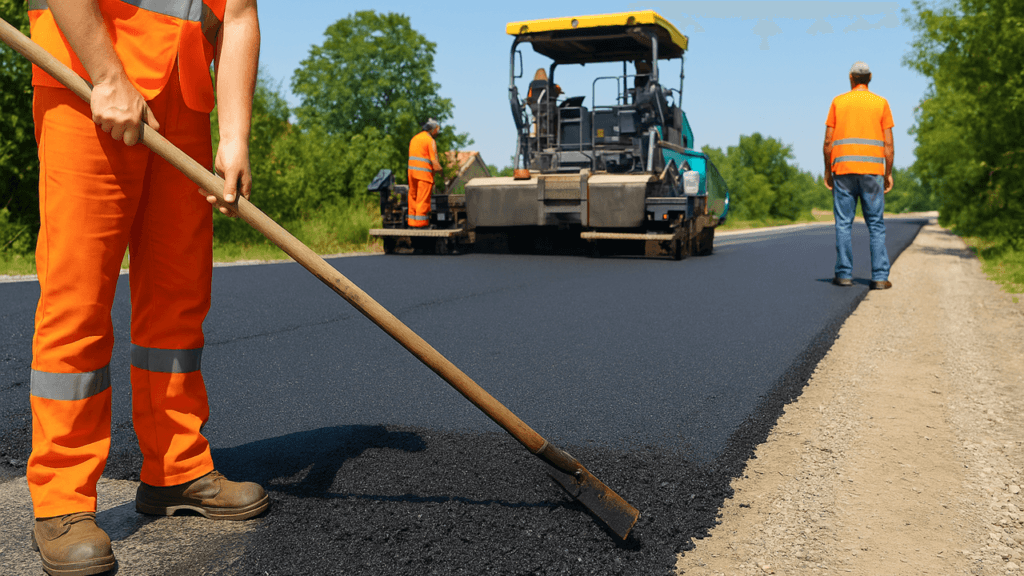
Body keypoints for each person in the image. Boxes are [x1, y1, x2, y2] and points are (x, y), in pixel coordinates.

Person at [26, 0, 266, 574]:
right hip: (87, 77)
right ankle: (61, 497)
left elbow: (238, 12)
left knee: (178, 300)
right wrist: (107, 77)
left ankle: (177, 469)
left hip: (183, 93)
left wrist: (233, 137)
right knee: (78, 295)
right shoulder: (96, 76)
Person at [823, 61, 895, 290]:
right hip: (873, 172)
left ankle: (844, 275)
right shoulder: (881, 103)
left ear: (851, 78)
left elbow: (828, 142)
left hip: (843, 171)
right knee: (876, 224)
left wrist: (828, 170)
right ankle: (880, 278)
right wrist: (888, 173)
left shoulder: (838, 102)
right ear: (870, 77)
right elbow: (889, 145)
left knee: (844, 223)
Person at [407, 119, 443, 228]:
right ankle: (421, 224)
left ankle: (412, 223)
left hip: (412, 174)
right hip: (424, 175)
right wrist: (441, 172)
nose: (437, 133)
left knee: (413, 197)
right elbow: (434, 161)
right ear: (433, 129)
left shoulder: (414, 139)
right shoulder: (429, 140)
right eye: (437, 130)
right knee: (423, 199)